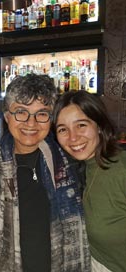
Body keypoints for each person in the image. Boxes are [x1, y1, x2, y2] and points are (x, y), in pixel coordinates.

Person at [0, 74, 90, 272]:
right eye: (21, 112)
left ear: (51, 119)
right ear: (7, 116)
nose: (31, 123)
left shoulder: (70, 160)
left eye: (42, 114)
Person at [52, 90, 126, 272]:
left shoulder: (121, 170)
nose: (73, 137)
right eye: (63, 129)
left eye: (81, 125)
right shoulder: (77, 169)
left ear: (99, 125)